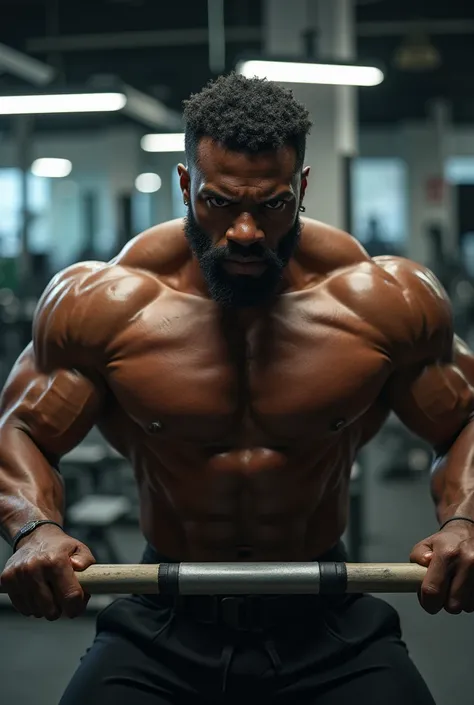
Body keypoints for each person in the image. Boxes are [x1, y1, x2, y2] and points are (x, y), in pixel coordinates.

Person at [0, 73, 474, 705]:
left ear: (302, 188)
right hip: (165, 614)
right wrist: (34, 529)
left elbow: (465, 420)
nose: (246, 231)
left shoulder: (386, 301)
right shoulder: (102, 303)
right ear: (184, 184)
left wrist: (464, 520)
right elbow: (21, 429)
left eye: (272, 205)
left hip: (325, 615)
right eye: (219, 202)